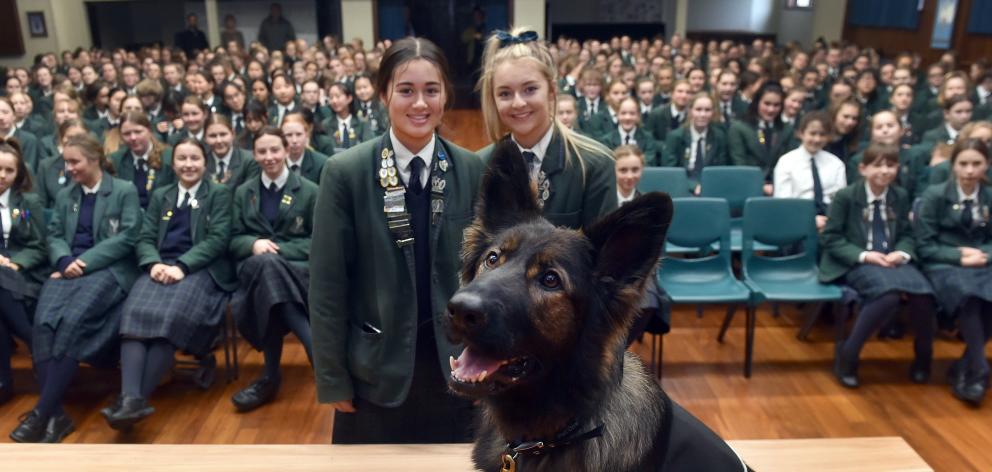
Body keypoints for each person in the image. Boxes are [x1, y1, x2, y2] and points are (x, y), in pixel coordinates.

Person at [310, 36, 483, 443]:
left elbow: (488, 283)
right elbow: (327, 286)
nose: (419, 104)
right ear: (383, 93)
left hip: (456, 364)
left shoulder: (471, 169)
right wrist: (333, 379)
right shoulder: (345, 172)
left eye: (431, 91)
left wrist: (487, 364)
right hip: (375, 369)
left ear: (446, 96)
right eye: (406, 90)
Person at [11, 135, 141, 443]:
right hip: (67, 269)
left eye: (75, 162)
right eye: (66, 162)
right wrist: (65, 259)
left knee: (71, 323)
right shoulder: (67, 194)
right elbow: (54, 234)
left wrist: (83, 262)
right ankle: (55, 415)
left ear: (94, 160)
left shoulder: (123, 191)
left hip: (106, 270)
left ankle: (42, 413)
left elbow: (127, 237)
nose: (68, 168)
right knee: (43, 325)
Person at [102, 138, 234, 430]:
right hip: (159, 268)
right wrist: (153, 263)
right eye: (182, 159)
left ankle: (133, 401)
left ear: (205, 162)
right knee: (134, 317)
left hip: (199, 270)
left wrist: (182, 266)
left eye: (195, 158)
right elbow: (145, 237)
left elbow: (218, 240)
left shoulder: (219, 194)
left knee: (166, 320)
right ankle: (131, 401)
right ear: (173, 164)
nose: (188, 164)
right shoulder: (161, 194)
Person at [476, 28, 617, 230]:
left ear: (551, 90)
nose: (518, 103)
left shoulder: (595, 165)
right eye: (505, 93)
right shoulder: (479, 165)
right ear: (493, 99)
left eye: (530, 89)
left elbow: (602, 256)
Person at [820, 143, 935, 388]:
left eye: (890, 165)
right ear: (863, 168)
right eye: (878, 165)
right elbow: (831, 238)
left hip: (891, 261)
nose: (884, 171)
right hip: (857, 261)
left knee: (924, 295)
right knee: (888, 296)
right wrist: (864, 255)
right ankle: (848, 356)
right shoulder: (846, 196)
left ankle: (923, 359)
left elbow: (906, 233)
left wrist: (902, 253)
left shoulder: (900, 196)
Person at [228, 127, 317, 413]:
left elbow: (319, 242)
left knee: (270, 278)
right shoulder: (244, 192)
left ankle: (270, 377)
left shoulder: (309, 190)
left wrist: (276, 250)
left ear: (286, 150)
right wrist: (253, 243)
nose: (269, 157)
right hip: (253, 266)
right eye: (262, 151)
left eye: (274, 150)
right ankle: (318, 353)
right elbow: (232, 237)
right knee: (265, 268)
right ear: (253, 155)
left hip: (297, 270)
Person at [915, 138, 992, 406]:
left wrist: (984, 255)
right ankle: (980, 370)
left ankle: (966, 365)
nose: (970, 170)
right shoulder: (936, 194)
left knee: (988, 298)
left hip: (982, 261)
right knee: (970, 296)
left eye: (977, 164)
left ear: (987, 165)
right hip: (943, 263)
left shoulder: (990, 196)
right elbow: (924, 245)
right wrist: (959, 256)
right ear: (953, 165)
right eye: (963, 164)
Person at [0, 138, 47, 405]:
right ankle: (33, 341)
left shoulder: (27, 203)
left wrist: (15, 263)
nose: (2, 175)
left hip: (24, 274)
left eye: (9, 170)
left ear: (18, 174)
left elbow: (39, 245)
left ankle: (3, 379)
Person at [774, 111, 847, 230]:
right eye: (812, 133)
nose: (817, 139)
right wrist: (810, 220)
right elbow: (783, 202)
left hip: (829, 220)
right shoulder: (786, 162)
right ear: (801, 133)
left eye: (822, 134)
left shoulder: (836, 164)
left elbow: (841, 200)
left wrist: (830, 220)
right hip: (796, 218)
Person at [729, 82, 789, 194]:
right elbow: (739, 164)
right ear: (757, 102)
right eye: (767, 104)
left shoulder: (786, 129)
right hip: (748, 187)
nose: (771, 109)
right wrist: (761, 185)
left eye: (776, 105)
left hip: (780, 187)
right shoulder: (740, 128)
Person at [664, 92, 730, 194]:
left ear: (713, 112)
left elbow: (721, 170)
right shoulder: (675, 136)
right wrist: (693, 186)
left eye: (707, 110)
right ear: (690, 111)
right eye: (698, 109)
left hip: (711, 188)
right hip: (681, 188)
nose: (702, 114)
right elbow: (671, 171)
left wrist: (706, 186)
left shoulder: (719, 136)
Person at [113, 112, 176, 209]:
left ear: (149, 130)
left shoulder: (170, 157)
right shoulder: (116, 160)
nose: (133, 138)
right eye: (127, 134)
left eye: (138, 132)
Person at [35, 120, 88, 208]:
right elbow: (40, 204)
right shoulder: (46, 166)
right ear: (61, 139)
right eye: (70, 137)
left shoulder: (94, 166)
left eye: (80, 138)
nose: (74, 142)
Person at [600, 96, 660, 165]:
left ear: (638, 115)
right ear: (617, 115)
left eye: (632, 113)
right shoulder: (607, 140)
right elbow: (607, 165)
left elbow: (649, 162)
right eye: (623, 113)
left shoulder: (648, 138)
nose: (627, 117)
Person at [204, 114, 256, 189]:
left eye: (223, 134)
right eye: (213, 136)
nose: (219, 141)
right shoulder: (202, 162)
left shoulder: (249, 160)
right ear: (205, 138)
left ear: (233, 134)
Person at [321, 83, 372, 154]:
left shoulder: (362, 122)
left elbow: (368, 148)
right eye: (331, 97)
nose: (334, 101)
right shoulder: (325, 124)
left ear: (349, 98)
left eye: (338, 96)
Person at [281, 111, 328, 184]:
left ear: (307, 135)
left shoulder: (322, 163)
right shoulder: (275, 162)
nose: (294, 140)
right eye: (289, 135)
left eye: (299, 134)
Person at [0, 97, 41, 174]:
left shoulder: (29, 140)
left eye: (5, 112)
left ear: (14, 115)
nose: (1, 117)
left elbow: (29, 169)